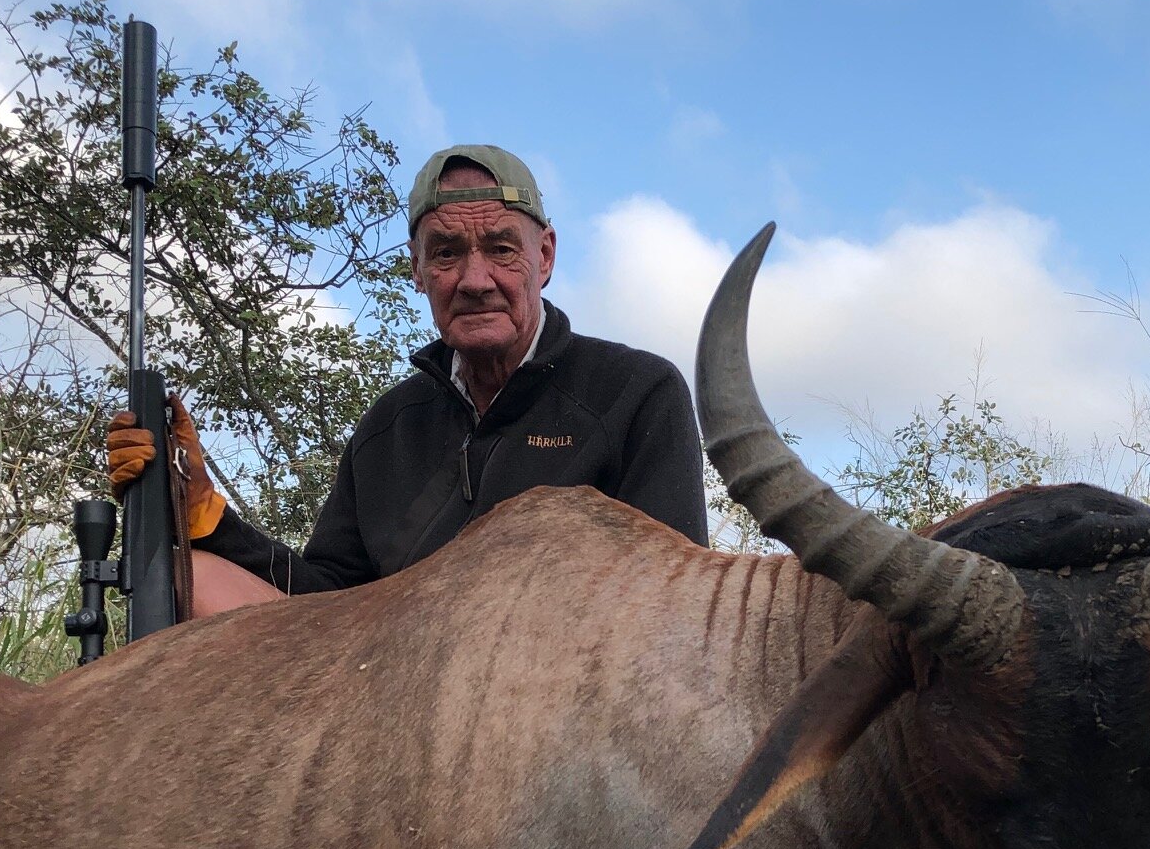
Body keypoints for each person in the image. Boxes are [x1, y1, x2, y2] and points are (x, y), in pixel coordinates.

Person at [107, 145, 708, 616]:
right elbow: (323, 600)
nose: (475, 279)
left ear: (544, 257)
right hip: (390, 713)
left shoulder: (636, 393)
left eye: (502, 249)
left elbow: (673, 603)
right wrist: (208, 518)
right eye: (446, 254)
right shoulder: (387, 430)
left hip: (554, 713)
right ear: (416, 270)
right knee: (197, 575)